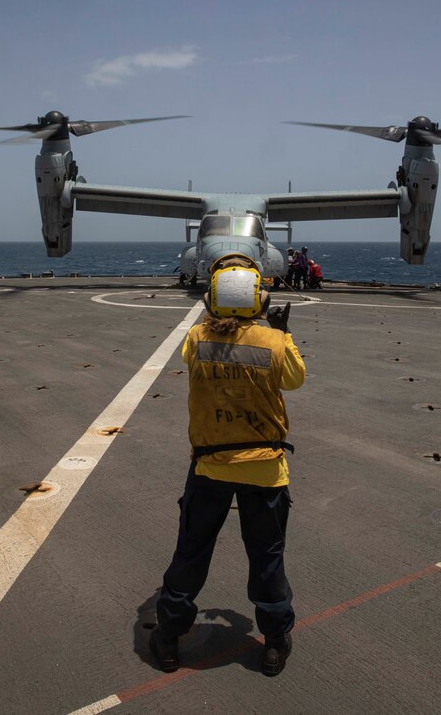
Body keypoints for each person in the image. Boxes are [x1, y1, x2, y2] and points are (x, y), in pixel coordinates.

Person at [151, 254, 306, 677]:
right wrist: (280, 331)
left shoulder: (197, 340)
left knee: (191, 553)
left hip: (210, 468)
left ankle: (168, 637)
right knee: (267, 558)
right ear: (259, 298)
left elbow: (190, 355)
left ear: (212, 298)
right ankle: (274, 642)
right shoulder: (274, 344)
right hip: (264, 471)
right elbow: (295, 379)